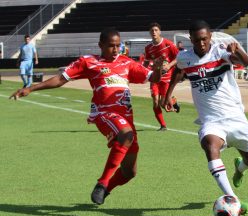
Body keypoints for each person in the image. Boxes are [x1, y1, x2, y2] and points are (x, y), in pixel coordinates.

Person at [10, 28, 163, 205]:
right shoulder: (89, 62)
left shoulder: (126, 63)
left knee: (130, 172)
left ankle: (106, 189)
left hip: (125, 118)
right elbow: (60, 79)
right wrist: (30, 88)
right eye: (110, 46)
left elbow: (154, 78)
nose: (115, 50)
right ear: (100, 45)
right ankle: (102, 182)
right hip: (104, 114)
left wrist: (158, 68)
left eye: (117, 46)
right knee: (127, 135)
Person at [161, 20, 248, 204]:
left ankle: (240, 169)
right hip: (211, 121)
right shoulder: (184, 57)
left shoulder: (220, 51)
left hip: (235, 117)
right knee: (210, 146)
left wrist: (237, 51)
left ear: (210, 36)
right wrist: (168, 95)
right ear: (191, 39)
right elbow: (178, 72)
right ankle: (233, 199)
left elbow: (245, 63)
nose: (201, 43)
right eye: (197, 40)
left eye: (204, 39)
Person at [143, 22, 180, 131]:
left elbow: (179, 57)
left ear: (160, 32)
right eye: (152, 30)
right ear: (149, 33)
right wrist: (143, 72)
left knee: (163, 104)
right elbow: (146, 63)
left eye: (156, 30)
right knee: (155, 102)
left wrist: (169, 65)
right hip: (155, 78)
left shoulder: (168, 44)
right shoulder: (148, 48)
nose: (154, 32)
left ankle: (172, 101)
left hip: (167, 78)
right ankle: (163, 125)